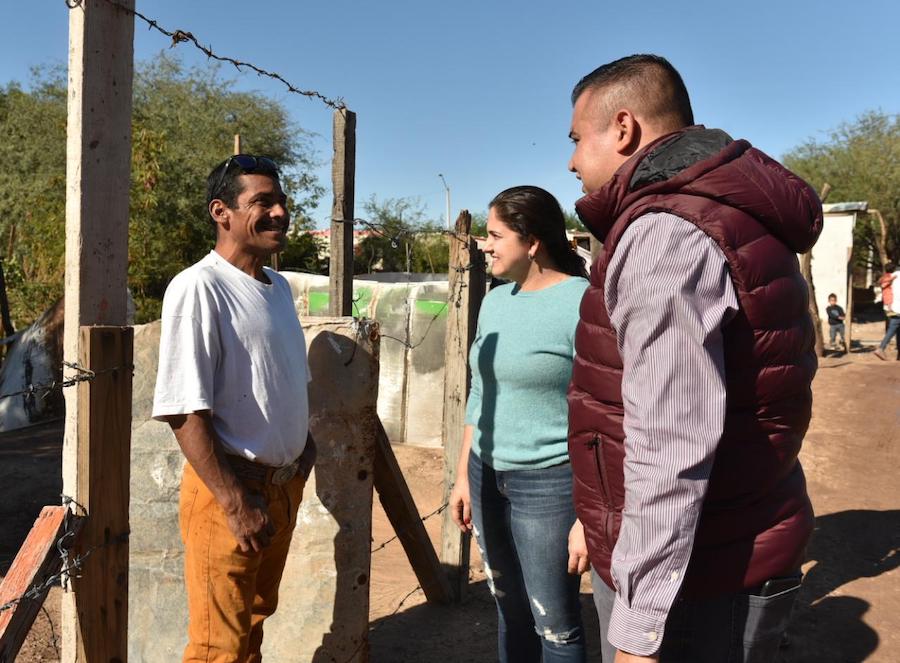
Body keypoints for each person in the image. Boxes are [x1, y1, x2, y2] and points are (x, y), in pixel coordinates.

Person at [564, 55, 821, 662]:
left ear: (623, 129)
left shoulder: (664, 235)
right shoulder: (719, 214)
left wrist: (639, 628)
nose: (571, 161)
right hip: (729, 548)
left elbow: (669, 444)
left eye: (577, 140)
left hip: (696, 584)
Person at [152, 154, 316, 663]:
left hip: (279, 486)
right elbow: (184, 411)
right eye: (262, 202)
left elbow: (283, 380)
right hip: (231, 493)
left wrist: (300, 454)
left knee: (252, 630)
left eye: (281, 200)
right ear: (221, 212)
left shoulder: (278, 288)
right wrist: (235, 503)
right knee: (216, 649)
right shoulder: (199, 287)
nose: (279, 212)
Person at [448, 185, 590, 663]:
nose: (484, 246)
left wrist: (590, 515)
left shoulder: (583, 304)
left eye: (494, 235)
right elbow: (482, 392)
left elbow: (607, 412)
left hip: (550, 482)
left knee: (555, 625)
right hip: (487, 475)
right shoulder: (495, 300)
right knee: (510, 611)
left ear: (532, 242)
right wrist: (464, 475)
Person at [874, 262, 899, 360]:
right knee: (894, 327)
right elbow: (883, 282)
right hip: (893, 306)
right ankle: (881, 348)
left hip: (891, 306)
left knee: (897, 328)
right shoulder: (891, 276)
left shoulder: (889, 276)